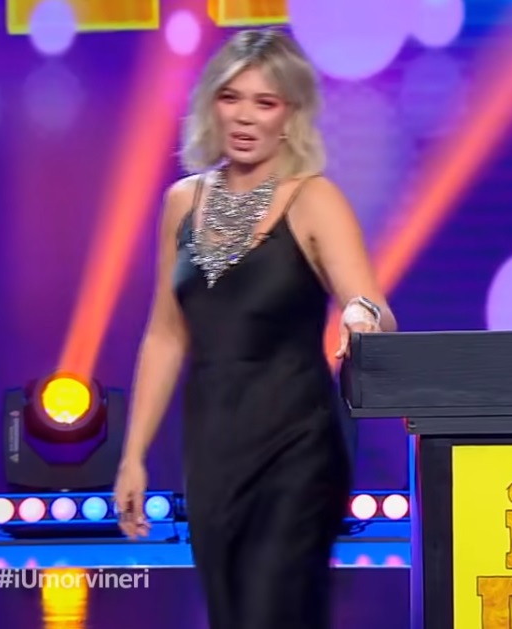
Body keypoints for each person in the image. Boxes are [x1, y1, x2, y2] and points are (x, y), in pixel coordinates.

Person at [112, 28, 397, 629]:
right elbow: (165, 335)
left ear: (290, 115)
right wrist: (132, 456)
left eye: (264, 103)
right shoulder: (182, 202)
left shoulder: (313, 199)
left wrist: (360, 316)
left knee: (274, 608)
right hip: (213, 449)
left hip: (297, 446)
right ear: (211, 103)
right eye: (231, 97)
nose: (244, 117)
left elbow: (371, 302)